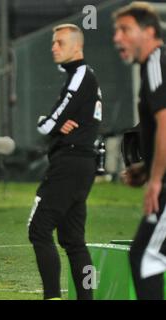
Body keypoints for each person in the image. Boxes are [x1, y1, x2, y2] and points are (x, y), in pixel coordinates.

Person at [28, 24, 102, 300]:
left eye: (60, 42)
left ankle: (51, 297)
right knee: (73, 240)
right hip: (81, 165)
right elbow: (60, 119)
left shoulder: (81, 74)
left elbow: (48, 124)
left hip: (70, 163)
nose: (54, 47)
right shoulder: (81, 76)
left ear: (77, 47)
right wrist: (56, 123)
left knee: (38, 229)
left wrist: (48, 123)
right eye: (53, 42)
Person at [113, 2, 166, 300]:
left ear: (148, 32)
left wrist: (155, 179)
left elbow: (165, 123)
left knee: (146, 257)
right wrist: (147, 169)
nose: (117, 38)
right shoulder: (153, 66)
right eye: (115, 31)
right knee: (145, 254)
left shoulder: (157, 61)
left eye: (125, 30)